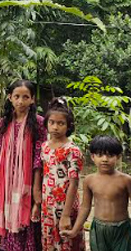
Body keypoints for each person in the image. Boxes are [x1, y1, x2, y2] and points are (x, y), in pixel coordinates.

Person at [0, 79, 47, 251]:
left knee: (27, 223)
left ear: (32, 99)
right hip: (7, 184)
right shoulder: (5, 122)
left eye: (25, 97)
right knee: (9, 226)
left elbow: (39, 157)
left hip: (27, 184)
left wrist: (36, 189)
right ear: (10, 97)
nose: (20, 101)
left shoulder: (39, 122)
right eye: (16, 96)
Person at [61, 136, 131, 251]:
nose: (104, 159)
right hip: (99, 229)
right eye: (100, 155)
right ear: (92, 157)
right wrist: (75, 230)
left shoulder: (126, 180)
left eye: (110, 155)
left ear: (118, 157)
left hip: (122, 229)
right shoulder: (89, 180)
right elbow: (85, 207)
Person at [40, 98, 84, 251]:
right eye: (51, 122)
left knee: (66, 242)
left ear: (68, 126)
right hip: (47, 206)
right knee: (50, 243)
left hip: (65, 206)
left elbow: (74, 183)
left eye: (60, 123)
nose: (55, 127)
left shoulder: (72, 150)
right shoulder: (44, 147)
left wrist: (65, 214)